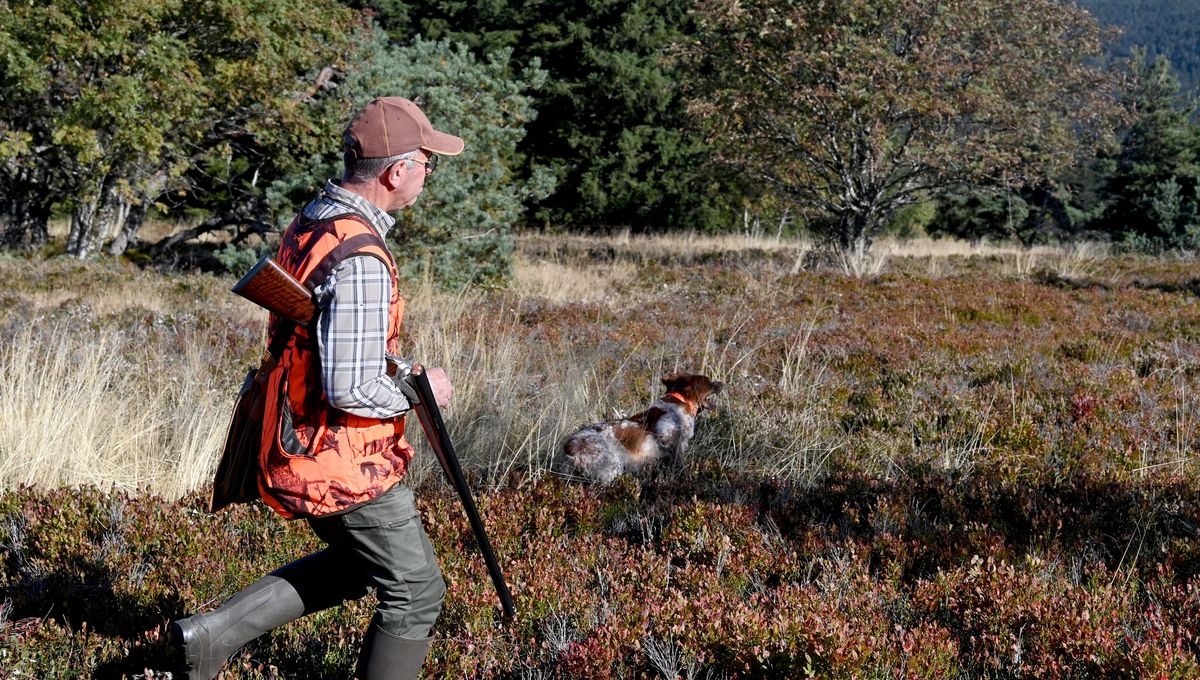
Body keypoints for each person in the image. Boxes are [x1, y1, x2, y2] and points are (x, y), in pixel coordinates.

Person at [171, 97, 462, 680]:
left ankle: (208, 638)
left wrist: (395, 367)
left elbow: (321, 336)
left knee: (362, 563)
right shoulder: (362, 257)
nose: (430, 173)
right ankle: (208, 641)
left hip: (296, 432)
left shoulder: (317, 219)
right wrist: (417, 391)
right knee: (416, 593)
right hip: (341, 454)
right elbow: (350, 387)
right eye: (428, 162)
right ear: (395, 171)